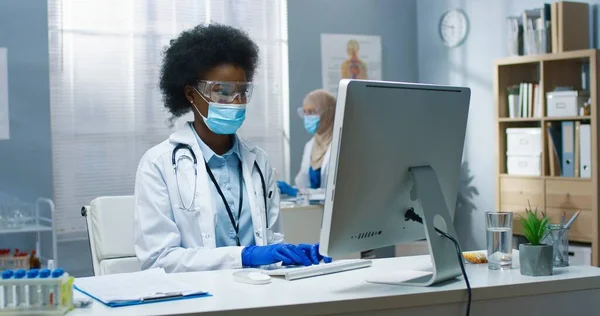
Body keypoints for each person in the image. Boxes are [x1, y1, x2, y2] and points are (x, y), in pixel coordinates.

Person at [133, 24, 330, 273]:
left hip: (261, 297)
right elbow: (158, 260)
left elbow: (271, 243)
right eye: (222, 92)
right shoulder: (158, 164)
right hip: (199, 302)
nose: (236, 101)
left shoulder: (259, 162)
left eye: (242, 91)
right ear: (191, 95)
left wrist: (290, 256)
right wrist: (244, 256)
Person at [278, 89, 336, 197]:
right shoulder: (310, 145)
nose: (307, 117)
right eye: (305, 112)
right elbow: (304, 186)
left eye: (312, 112)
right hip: (313, 211)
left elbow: (336, 193)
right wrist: (291, 190)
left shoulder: (340, 145)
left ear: (328, 113)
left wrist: (298, 192)